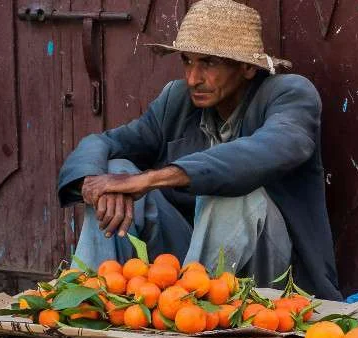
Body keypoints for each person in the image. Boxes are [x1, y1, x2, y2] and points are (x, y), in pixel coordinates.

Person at [57, 0, 341, 300]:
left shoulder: (291, 94)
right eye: (187, 61)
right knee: (115, 174)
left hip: (275, 279)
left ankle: (188, 307)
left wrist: (151, 179)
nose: (193, 78)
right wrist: (92, 182)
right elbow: (103, 142)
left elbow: (270, 149)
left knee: (234, 196)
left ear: (247, 67)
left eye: (209, 63)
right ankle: (87, 300)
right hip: (190, 265)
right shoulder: (177, 100)